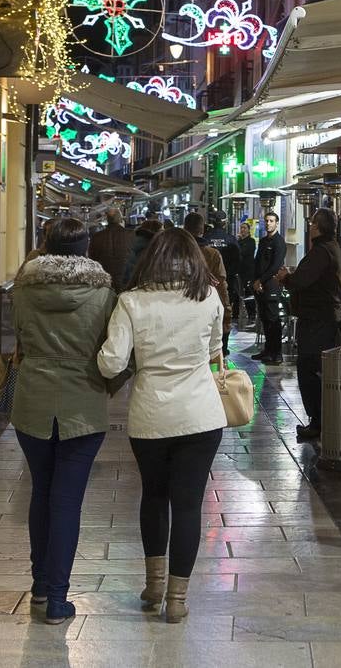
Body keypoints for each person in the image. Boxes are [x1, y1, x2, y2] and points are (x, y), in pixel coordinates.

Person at [97, 229, 226, 624]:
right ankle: (177, 600)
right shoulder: (208, 296)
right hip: (201, 416)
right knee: (188, 505)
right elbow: (215, 350)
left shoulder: (132, 301)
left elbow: (112, 364)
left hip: (150, 417)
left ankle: (153, 586)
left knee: (154, 496)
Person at [9, 218, 115, 624]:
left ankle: (39, 585)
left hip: (32, 399)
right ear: (87, 249)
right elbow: (113, 346)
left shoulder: (23, 288)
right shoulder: (103, 293)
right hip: (83, 402)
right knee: (67, 500)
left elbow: (19, 335)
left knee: (41, 492)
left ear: (47, 246)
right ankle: (57, 598)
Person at [276, 208, 341, 442]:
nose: (310, 225)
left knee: (309, 369)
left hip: (317, 320)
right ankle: (319, 420)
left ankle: (318, 421)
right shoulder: (330, 248)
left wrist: (286, 277)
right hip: (322, 318)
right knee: (312, 368)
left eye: (313, 222)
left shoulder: (321, 251)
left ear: (317, 227)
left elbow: (302, 280)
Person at [183, 212, 233, 356]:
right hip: (206, 307)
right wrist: (227, 314)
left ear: (185, 228)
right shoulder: (212, 254)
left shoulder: (175, 252)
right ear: (202, 229)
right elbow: (221, 286)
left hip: (181, 310)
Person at [250, 212, 287, 364]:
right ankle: (268, 350)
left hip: (271, 285)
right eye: (266, 221)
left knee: (273, 319)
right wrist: (255, 281)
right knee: (264, 318)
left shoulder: (279, 242)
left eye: (271, 221)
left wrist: (261, 280)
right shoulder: (264, 241)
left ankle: (277, 353)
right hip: (260, 286)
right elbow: (258, 261)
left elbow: (275, 266)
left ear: (277, 223)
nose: (268, 223)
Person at [202, 213, 242, 324]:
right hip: (226, 279)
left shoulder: (206, 239)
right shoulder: (231, 239)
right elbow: (238, 260)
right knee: (225, 307)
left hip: (207, 281)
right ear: (225, 223)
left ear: (213, 222)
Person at [87, 207, 134, 291]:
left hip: (105, 282)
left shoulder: (97, 237)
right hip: (126, 280)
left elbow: (92, 260)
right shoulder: (131, 235)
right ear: (120, 219)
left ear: (107, 220)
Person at [122, 218, 162, 289]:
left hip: (131, 286)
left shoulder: (133, 243)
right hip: (144, 288)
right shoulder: (150, 247)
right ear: (155, 231)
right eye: (161, 231)